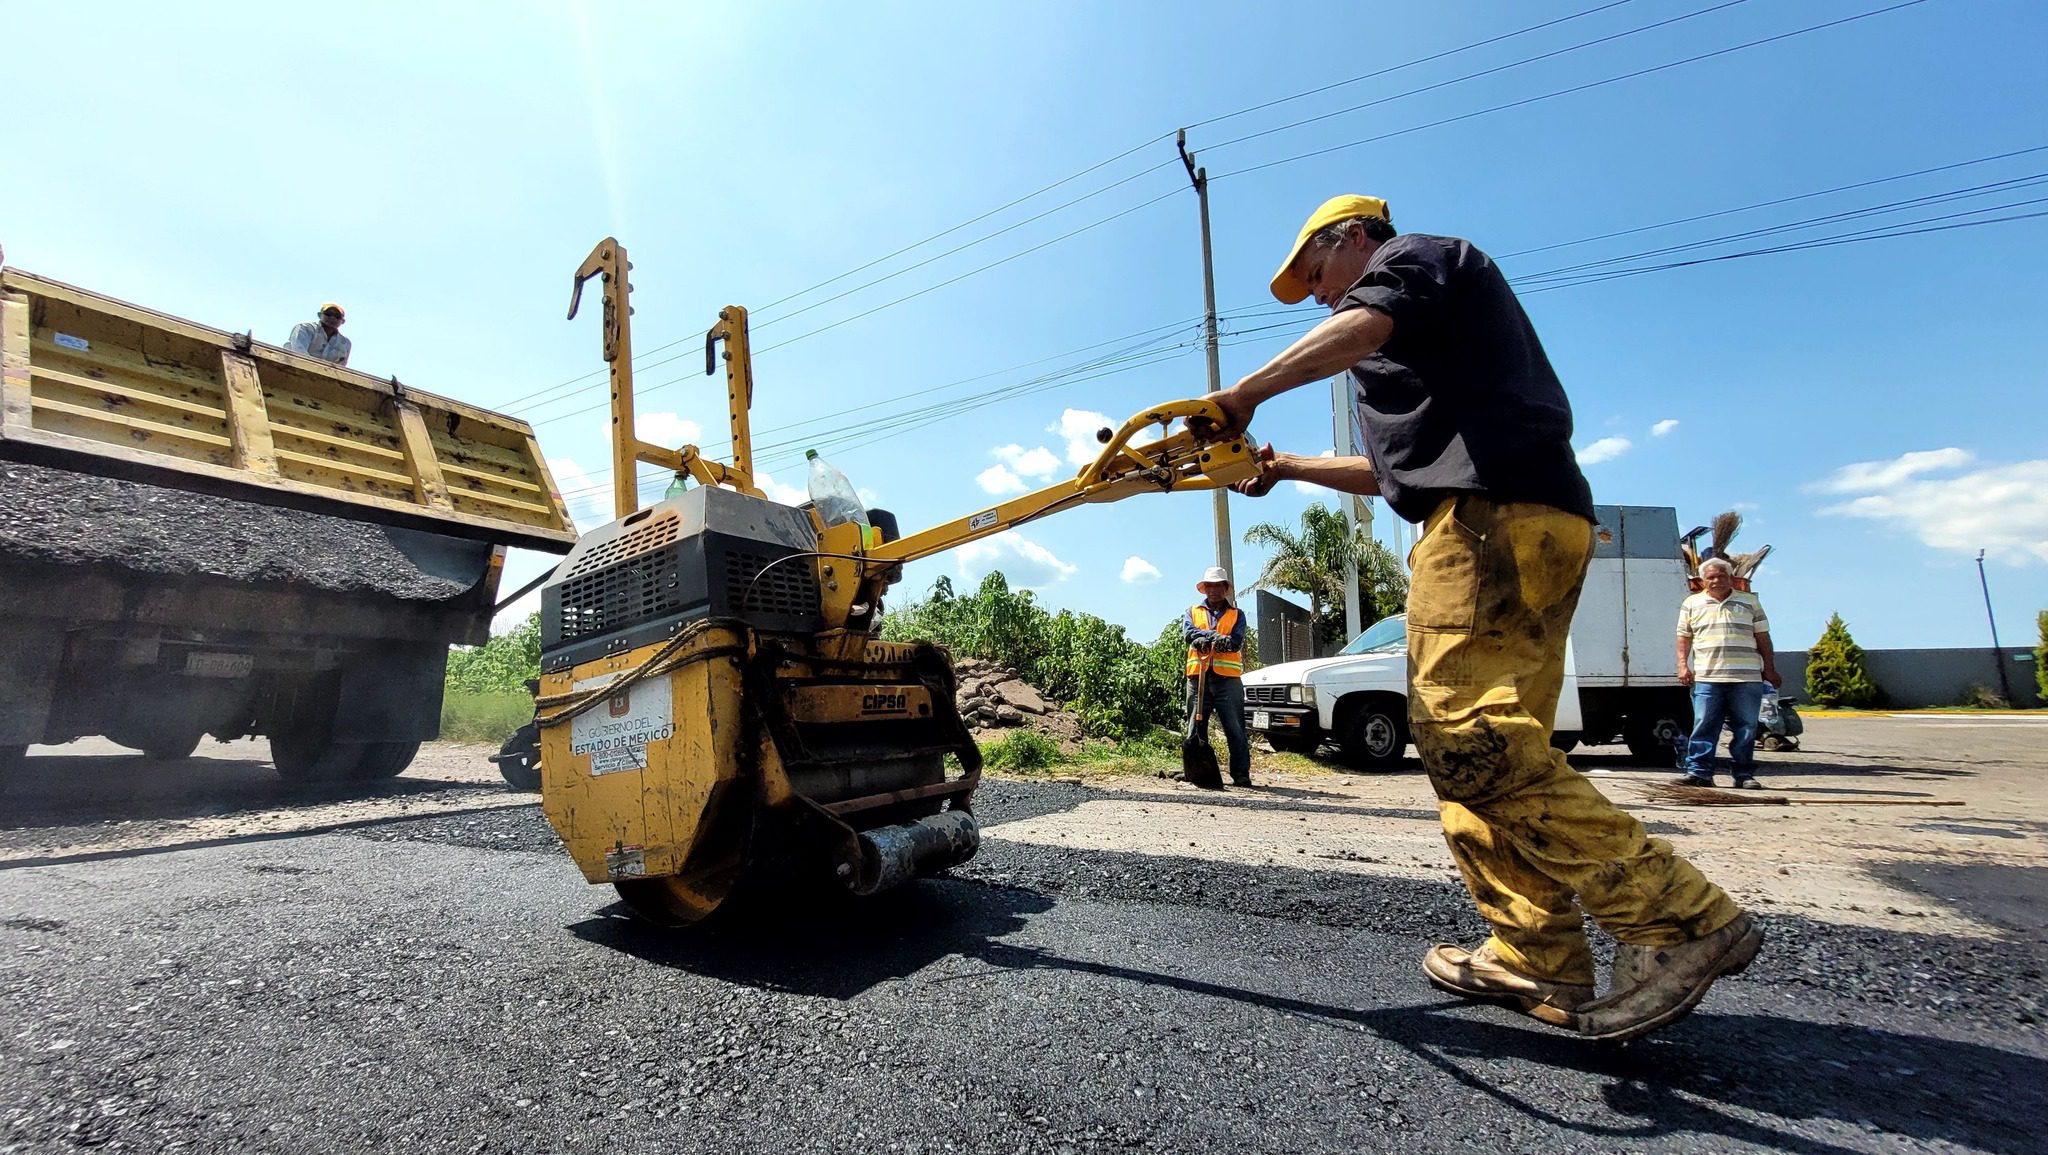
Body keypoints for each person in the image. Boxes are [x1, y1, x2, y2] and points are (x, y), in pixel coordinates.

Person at [1209, 194, 1758, 1043]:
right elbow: (1395, 473)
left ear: (1355, 239)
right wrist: (1287, 469)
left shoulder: (1417, 259)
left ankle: (1678, 916)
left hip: (1489, 523)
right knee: (1495, 752)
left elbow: (1355, 334)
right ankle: (1534, 951)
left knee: (1463, 732)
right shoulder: (1430, 343)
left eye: (1317, 276)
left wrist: (1244, 393)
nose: (1321, 298)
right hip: (1529, 520)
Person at [1676, 557, 1782, 788]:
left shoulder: (1749, 602)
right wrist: (1683, 665)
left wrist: (1770, 669)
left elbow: (1763, 638)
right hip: (1707, 677)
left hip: (1746, 677)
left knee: (1746, 727)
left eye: (1721, 576)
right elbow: (1684, 638)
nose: (1716, 581)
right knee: (1704, 725)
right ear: (1702, 581)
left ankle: (1743, 775)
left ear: (1730, 577)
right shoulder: (1691, 604)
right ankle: (1699, 773)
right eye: (1711, 577)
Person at [1182, 566, 1252, 788]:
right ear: (1205, 589)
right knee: (1195, 727)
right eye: (1209, 586)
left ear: (1225, 589)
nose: (1213, 590)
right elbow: (1189, 633)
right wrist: (1211, 636)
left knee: (1235, 729)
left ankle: (1241, 774)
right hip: (1197, 678)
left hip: (1227, 681)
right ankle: (1195, 771)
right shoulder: (1192, 611)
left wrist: (1222, 641)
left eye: (1218, 586)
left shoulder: (1236, 615)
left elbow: (1235, 640)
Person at [287, 302, 351, 366]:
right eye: (328, 314)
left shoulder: (345, 343)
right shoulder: (305, 328)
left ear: (342, 321)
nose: (332, 318)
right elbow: (299, 353)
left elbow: (341, 366)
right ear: (319, 315)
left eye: (337, 316)